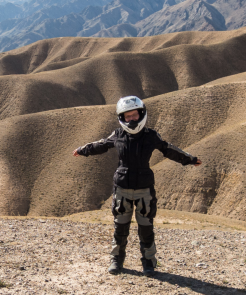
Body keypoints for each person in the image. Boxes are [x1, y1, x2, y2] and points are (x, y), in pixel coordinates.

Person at [73, 96, 202, 275]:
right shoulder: (117, 135)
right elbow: (101, 145)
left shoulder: (151, 136)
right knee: (120, 227)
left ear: (141, 114)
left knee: (146, 228)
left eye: (134, 115)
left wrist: (189, 160)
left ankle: (148, 263)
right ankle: (116, 261)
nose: (132, 119)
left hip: (144, 190)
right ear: (122, 118)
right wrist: (82, 150)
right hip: (121, 188)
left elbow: (168, 149)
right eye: (128, 117)